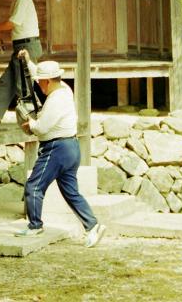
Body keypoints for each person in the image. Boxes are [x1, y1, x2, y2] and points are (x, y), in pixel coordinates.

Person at [16, 59, 106, 248]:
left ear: (47, 81)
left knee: (34, 186)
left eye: (40, 82)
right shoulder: (64, 88)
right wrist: (28, 61)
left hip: (56, 149)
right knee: (71, 193)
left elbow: (42, 128)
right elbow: (38, 74)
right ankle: (93, 225)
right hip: (71, 147)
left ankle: (35, 226)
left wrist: (29, 123)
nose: (39, 85)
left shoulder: (55, 100)